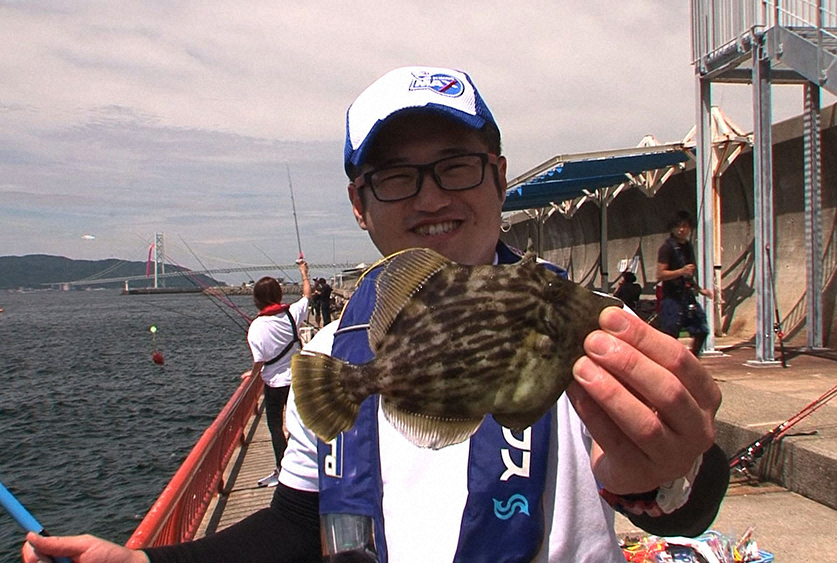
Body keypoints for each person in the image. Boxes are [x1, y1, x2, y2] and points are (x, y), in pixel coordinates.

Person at [22, 66, 727, 563]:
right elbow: (296, 528)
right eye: (394, 177)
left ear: (498, 174)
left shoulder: (597, 324)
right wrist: (145, 560)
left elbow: (677, 495)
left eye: (456, 165)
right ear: (359, 205)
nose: (431, 198)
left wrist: (669, 475)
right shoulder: (330, 351)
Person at [244, 260, 312, 487]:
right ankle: (307, 463)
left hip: (274, 384)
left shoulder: (256, 327)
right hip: (298, 379)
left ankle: (283, 468)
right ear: (279, 294)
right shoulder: (292, 314)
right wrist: (304, 272)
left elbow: (259, 361)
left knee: (275, 425)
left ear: (257, 300)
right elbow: (307, 296)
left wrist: (251, 375)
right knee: (301, 422)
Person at [656, 211, 714, 356]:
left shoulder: (688, 246)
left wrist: (700, 290)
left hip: (687, 296)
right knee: (670, 334)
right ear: (672, 228)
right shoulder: (667, 248)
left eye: (685, 226)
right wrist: (681, 271)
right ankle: (669, 362)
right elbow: (660, 274)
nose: (682, 230)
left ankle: (692, 359)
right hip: (672, 298)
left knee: (701, 329)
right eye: (678, 226)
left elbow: (688, 275)